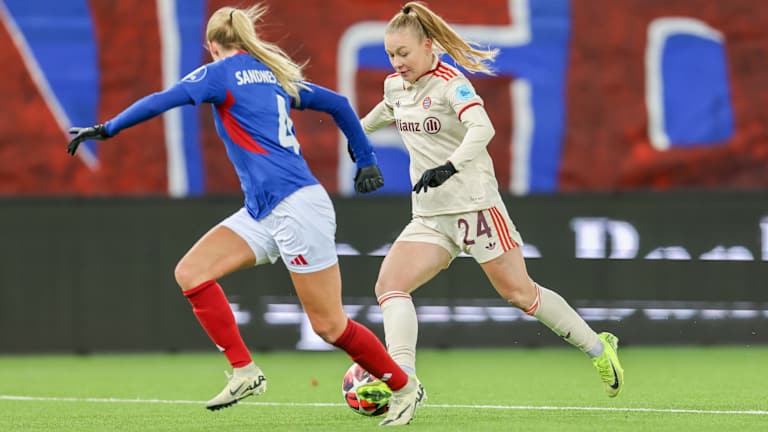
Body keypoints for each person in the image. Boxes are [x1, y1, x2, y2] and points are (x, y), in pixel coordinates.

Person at [67, 4, 423, 426]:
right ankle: (244, 371)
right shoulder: (273, 73)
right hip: (264, 210)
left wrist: (107, 128)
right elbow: (341, 104)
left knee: (330, 325)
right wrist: (364, 158)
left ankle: (403, 387)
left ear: (212, 46)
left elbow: (162, 100)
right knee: (192, 273)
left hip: (295, 208)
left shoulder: (221, 71)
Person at [360, 1, 624, 400]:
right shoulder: (396, 86)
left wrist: (449, 166)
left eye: (403, 53)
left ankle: (598, 347)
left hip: (475, 208)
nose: (396, 62)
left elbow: (483, 128)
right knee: (390, 285)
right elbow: (386, 110)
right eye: (390, 55)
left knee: (520, 294)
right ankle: (404, 381)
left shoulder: (451, 84)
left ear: (428, 46)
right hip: (431, 216)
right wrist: (355, 136)